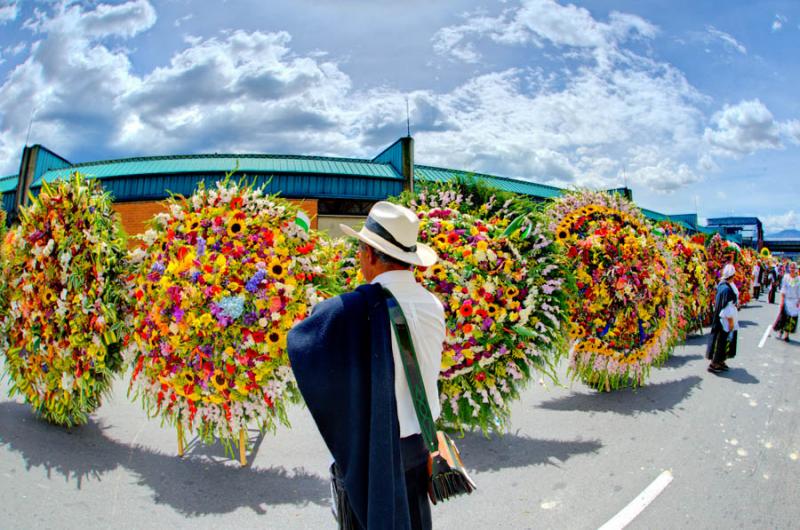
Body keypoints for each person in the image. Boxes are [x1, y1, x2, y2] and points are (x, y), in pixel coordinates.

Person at [287, 201, 445, 530]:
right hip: (420, 444)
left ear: (370, 255)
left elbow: (302, 344)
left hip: (375, 450)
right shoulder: (433, 305)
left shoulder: (351, 309)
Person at [707, 264, 739, 373]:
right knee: (721, 341)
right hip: (724, 319)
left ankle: (720, 361)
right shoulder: (726, 289)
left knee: (723, 340)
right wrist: (730, 322)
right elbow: (727, 309)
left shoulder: (723, 285)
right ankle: (714, 363)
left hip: (721, 318)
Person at [773, 262, 800, 342]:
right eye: (791, 268)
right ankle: (781, 330)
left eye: (794, 268)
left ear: (796, 270)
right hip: (787, 300)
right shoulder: (786, 277)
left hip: (794, 301)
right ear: (789, 268)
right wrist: (782, 302)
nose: (792, 269)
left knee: (791, 319)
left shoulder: (798, 279)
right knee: (784, 317)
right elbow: (783, 290)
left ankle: (786, 335)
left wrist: (799, 301)